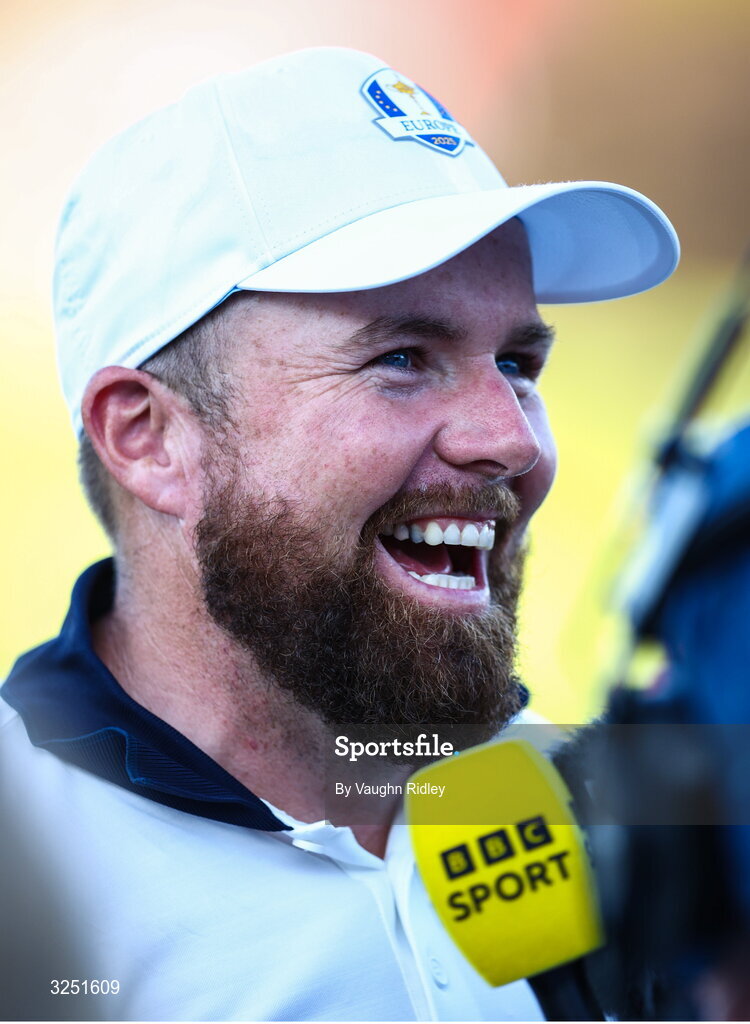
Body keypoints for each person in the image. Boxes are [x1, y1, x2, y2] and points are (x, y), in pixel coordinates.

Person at [0, 47, 679, 1022]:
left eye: (517, 363)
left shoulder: (609, 828)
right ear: (148, 438)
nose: (511, 440)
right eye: (401, 358)